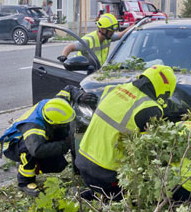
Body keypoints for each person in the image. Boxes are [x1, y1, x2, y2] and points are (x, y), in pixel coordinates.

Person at [75, 65, 176, 200]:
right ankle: (111, 199)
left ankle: (96, 194)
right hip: (107, 173)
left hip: (83, 162)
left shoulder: (115, 88)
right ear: (165, 90)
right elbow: (150, 151)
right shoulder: (149, 108)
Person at [0, 93, 77, 197]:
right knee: (28, 150)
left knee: (59, 165)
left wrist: (79, 95)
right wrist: (65, 145)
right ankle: (24, 182)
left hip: (35, 141)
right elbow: (37, 150)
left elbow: (68, 90)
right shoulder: (34, 128)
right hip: (13, 146)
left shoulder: (52, 105)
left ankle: (33, 166)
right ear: (52, 122)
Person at [58, 13, 131, 67]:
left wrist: (135, 25)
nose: (113, 33)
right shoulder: (88, 40)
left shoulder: (108, 37)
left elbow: (121, 35)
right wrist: (63, 57)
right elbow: (69, 47)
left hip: (97, 71)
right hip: (83, 71)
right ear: (102, 29)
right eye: (111, 31)